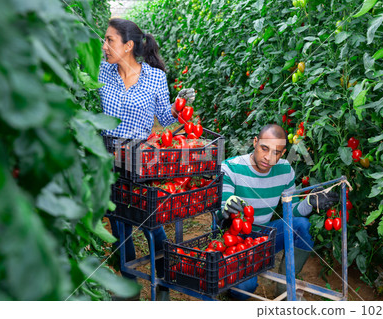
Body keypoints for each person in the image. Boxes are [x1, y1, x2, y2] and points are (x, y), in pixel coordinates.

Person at [99, 18, 195, 301]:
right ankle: (128, 289)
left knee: (149, 219)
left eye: (109, 40)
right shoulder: (103, 72)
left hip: (142, 160)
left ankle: (166, 276)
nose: (104, 46)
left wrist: (180, 104)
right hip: (109, 157)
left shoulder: (154, 77)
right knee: (119, 223)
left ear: (128, 46)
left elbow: (165, 119)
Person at [218, 124, 339, 300]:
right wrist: (228, 206)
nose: (268, 157)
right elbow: (224, 205)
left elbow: (293, 212)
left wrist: (310, 202)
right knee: (244, 290)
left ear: (282, 154)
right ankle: (234, 280)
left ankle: (284, 288)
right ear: (255, 143)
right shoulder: (231, 168)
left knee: (304, 226)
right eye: (264, 148)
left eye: (276, 153)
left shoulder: (285, 170)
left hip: (263, 235)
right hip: (235, 237)